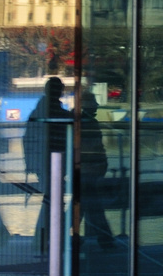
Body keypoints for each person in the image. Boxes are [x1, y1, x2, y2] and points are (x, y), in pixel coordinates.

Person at [28, 77, 71, 253]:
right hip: (53, 162)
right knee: (52, 201)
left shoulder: (38, 110)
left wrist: (31, 164)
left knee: (50, 200)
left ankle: (45, 238)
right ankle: (47, 238)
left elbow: (28, 139)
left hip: (45, 162)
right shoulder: (55, 112)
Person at [75, 87, 118, 247]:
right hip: (88, 170)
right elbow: (94, 148)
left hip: (87, 170)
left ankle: (70, 235)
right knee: (92, 205)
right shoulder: (86, 122)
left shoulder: (82, 121)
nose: (97, 105)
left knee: (85, 205)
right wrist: (101, 164)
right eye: (93, 103)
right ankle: (105, 239)